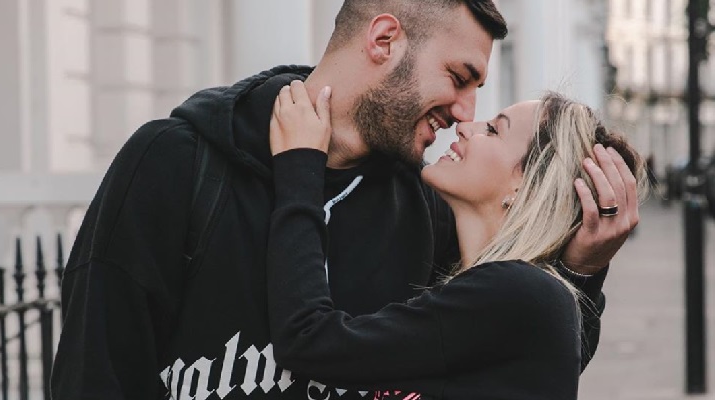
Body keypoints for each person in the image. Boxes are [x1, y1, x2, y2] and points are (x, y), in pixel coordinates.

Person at [51, 1, 639, 399]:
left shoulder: (432, 215)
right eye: (459, 77)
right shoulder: (175, 164)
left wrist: (581, 272)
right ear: (384, 39)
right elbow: (93, 373)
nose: (466, 113)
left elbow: (511, 368)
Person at [266, 86, 646, 400]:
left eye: (494, 130)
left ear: (525, 186)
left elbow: (308, 340)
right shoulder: (503, 292)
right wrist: (580, 272)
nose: (467, 126)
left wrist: (299, 170)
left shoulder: (517, 292)